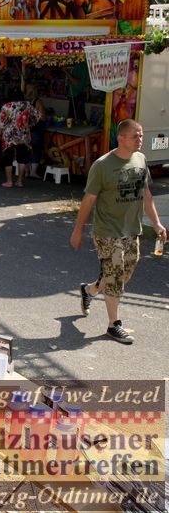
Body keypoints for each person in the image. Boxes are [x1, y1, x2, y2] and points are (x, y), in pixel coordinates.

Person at [70, 119, 166, 345]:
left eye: (141, 135)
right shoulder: (102, 165)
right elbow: (89, 199)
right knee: (114, 276)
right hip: (107, 231)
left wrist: (158, 223)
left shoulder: (141, 159)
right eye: (135, 135)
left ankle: (90, 290)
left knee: (123, 272)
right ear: (121, 138)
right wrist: (78, 229)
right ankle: (114, 325)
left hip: (131, 230)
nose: (140, 139)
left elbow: (147, 195)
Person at [0, 87, 39, 188]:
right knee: (22, 159)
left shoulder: (6, 106)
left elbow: (1, 123)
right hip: (23, 135)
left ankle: (9, 181)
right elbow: (37, 116)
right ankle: (20, 181)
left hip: (9, 136)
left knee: (8, 159)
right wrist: (29, 125)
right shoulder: (27, 105)